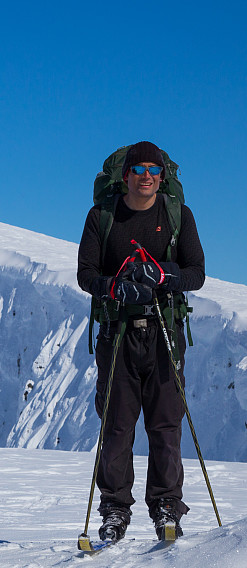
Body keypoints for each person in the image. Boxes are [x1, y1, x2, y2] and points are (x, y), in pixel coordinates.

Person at [77, 141, 205, 541]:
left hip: (165, 331)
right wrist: (115, 288)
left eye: (153, 169)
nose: (146, 175)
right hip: (118, 332)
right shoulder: (102, 216)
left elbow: (196, 273)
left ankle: (166, 506)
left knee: (166, 423)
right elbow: (86, 274)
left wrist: (164, 276)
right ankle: (115, 509)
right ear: (126, 175)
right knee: (117, 424)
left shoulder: (178, 215)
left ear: (162, 177)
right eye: (138, 169)